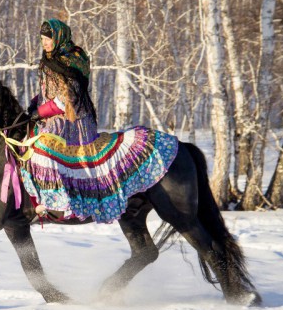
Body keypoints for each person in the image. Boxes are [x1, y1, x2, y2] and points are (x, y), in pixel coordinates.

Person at [19, 19, 179, 223]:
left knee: (42, 146)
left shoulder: (72, 60)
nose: (44, 43)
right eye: (42, 39)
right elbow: (48, 92)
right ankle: (34, 199)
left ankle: (61, 202)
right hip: (50, 116)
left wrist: (41, 111)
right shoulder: (48, 59)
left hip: (72, 120)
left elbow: (68, 98)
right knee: (25, 141)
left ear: (58, 38)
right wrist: (35, 105)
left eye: (48, 38)